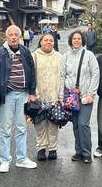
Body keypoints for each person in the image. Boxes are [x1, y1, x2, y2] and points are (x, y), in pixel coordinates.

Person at [0, 25, 37, 173]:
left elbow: (32, 71)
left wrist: (32, 92)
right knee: (5, 129)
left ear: (20, 37)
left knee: (21, 127)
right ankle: (5, 160)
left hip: (23, 94)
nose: (13, 37)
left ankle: (21, 159)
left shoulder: (25, 51)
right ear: (6, 37)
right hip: (7, 95)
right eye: (10, 35)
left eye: (16, 35)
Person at [60, 30, 99, 163]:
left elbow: (95, 74)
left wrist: (91, 93)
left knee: (83, 124)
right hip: (71, 96)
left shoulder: (89, 55)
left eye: (79, 38)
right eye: (74, 39)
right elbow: (62, 76)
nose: (76, 41)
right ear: (71, 41)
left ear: (83, 40)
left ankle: (87, 153)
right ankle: (78, 151)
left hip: (85, 96)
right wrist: (62, 96)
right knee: (76, 124)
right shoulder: (65, 56)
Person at [32, 33, 62, 161]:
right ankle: (41, 148)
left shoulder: (59, 57)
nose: (48, 42)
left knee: (53, 123)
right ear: (41, 42)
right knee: (40, 123)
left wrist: (61, 95)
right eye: (46, 40)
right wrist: (34, 93)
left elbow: (62, 76)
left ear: (54, 43)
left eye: (51, 40)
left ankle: (52, 148)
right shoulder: (35, 56)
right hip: (39, 97)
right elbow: (31, 76)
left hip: (54, 96)